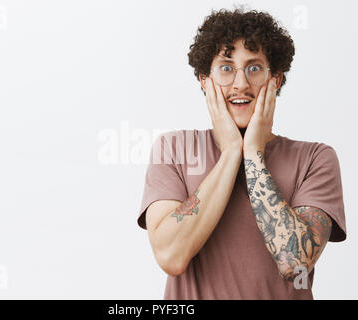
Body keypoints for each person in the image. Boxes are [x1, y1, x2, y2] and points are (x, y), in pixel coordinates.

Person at [137, 8, 346, 299]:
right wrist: (231, 152)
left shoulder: (315, 158)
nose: (240, 84)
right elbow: (171, 257)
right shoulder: (173, 149)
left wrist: (253, 154)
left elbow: (295, 262)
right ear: (204, 80)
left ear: (275, 80)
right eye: (226, 68)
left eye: (254, 68)